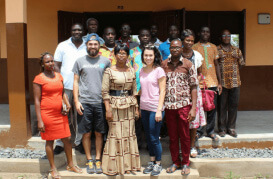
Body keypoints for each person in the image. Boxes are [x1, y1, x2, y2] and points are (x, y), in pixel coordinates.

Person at [33, 53, 82, 179]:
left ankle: (70, 164)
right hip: (47, 114)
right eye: (47, 62)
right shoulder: (39, 79)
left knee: (67, 139)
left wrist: (67, 104)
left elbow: (62, 93)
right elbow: (37, 101)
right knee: (50, 141)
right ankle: (53, 168)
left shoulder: (59, 76)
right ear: (42, 64)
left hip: (60, 114)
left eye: (52, 61)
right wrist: (40, 121)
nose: (50, 64)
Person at [72, 33, 111, 174]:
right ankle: (89, 159)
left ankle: (98, 159)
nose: (93, 46)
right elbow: (75, 82)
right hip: (85, 103)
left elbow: (109, 82)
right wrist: (76, 101)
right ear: (86, 45)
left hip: (100, 102)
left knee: (99, 133)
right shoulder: (79, 61)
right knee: (86, 133)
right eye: (90, 44)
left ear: (99, 46)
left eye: (95, 44)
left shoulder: (106, 61)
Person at [101, 44, 141, 175]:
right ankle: (115, 167)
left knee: (129, 134)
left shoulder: (131, 71)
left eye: (124, 53)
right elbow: (105, 92)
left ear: (128, 56)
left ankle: (128, 166)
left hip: (129, 106)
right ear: (114, 55)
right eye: (119, 53)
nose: (122, 55)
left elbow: (134, 90)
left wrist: (136, 108)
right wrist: (107, 109)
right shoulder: (109, 71)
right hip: (114, 106)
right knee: (116, 134)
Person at [162, 39, 198, 176]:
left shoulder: (188, 64)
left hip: (184, 105)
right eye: (172, 48)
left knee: (184, 136)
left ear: (182, 49)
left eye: (177, 48)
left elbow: (194, 86)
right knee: (172, 136)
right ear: (169, 49)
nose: (175, 50)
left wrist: (193, 108)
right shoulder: (164, 64)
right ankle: (176, 162)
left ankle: (186, 163)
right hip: (169, 107)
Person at [53, 23, 87, 155]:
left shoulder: (87, 45)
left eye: (79, 29)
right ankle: (60, 143)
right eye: (74, 30)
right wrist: (59, 82)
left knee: (81, 114)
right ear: (71, 31)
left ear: (83, 31)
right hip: (65, 86)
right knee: (63, 114)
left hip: (82, 86)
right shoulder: (62, 45)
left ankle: (79, 142)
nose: (77, 32)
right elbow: (56, 65)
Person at [192, 26, 222, 144]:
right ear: (199, 33)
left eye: (207, 32)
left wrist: (219, 82)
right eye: (203, 31)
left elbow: (217, 64)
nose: (205, 33)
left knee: (212, 108)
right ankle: (199, 131)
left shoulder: (214, 47)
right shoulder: (194, 47)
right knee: (199, 107)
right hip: (199, 82)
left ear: (209, 34)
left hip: (212, 81)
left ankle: (210, 131)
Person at [140, 45, 166, 176]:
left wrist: (159, 110)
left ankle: (158, 163)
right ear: (143, 56)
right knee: (148, 137)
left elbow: (163, 91)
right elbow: (142, 90)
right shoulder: (141, 70)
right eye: (146, 55)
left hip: (155, 108)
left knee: (154, 137)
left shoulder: (159, 70)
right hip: (144, 108)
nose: (148, 57)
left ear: (155, 56)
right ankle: (151, 161)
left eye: (150, 55)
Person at [181, 29, 206, 158]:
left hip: (194, 91)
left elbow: (201, 73)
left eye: (191, 40)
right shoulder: (176, 54)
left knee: (193, 120)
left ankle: (191, 146)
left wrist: (195, 82)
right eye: (187, 40)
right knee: (181, 120)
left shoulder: (196, 55)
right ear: (182, 41)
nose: (189, 42)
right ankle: (182, 146)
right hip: (179, 92)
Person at [217, 29, 245, 138]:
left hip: (235, 82)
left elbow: (242, 64)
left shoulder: (236, 50)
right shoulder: (217, 49)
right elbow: (215, 65)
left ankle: (231, 128)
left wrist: (237, 63)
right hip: (222, 82)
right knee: (222, 106)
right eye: (224, 35)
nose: (226, 37)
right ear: (221, 37)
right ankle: (222, 128)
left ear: (231, 37)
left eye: (228, 35)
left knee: (233, 105)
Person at [129, 28, 151, 149]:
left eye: (147, 35)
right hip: (136, 90)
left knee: (148, 118)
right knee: (136, 118)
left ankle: (148, 143)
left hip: (150, 91)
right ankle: (137, 143)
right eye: (142, 35)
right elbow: (129, 69)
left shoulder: (153, 51)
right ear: (139, 37)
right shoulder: (132, 52)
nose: (145, 37)